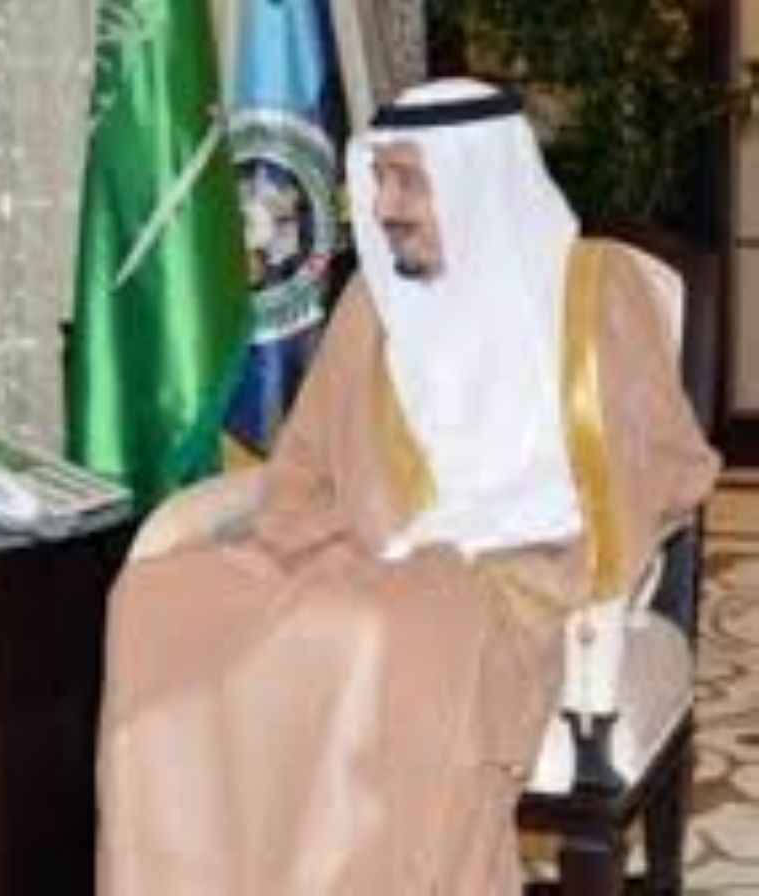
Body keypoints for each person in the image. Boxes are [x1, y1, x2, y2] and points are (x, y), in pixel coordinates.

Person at [96, 79, 720, 893]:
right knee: (155, 603)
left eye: (408, 182)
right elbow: (304, 463)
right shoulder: (374, 301)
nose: (385, 206)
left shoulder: (596, 292)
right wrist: (347, 536)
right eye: (380, 177)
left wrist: (546, 545)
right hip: (367, 550)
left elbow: (662, 461)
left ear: (477, 182)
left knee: (371, 637)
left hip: (515, 574)